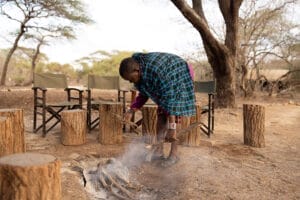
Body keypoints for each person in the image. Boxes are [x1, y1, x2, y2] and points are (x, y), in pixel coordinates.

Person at [119, 52, 195, 167]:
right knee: (160, 116)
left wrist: (172, 128)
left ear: (136, 71)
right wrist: (132, 110)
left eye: (130, 79)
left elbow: (171, 101)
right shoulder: (142, 74)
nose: (131, 82)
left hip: (179, 75)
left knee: (175, 118)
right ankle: (159, 151)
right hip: (167, 83)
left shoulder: (157, 72)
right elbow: (143, 94)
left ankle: (174, 155)